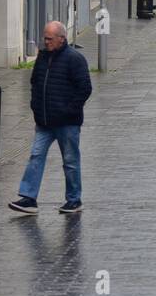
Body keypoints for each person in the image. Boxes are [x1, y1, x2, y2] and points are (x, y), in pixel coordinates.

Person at [9, 21, 93, 215]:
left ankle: (74, 199)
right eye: (44, 38)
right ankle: (29, 198)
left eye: (49, 39)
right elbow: (35, 82)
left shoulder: (74, 59)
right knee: (36, 156)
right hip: (44, 121)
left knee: (70, 161)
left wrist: (69, 110)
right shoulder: (43, 57)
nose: (45, 42)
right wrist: (35, 106)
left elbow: (85, 88)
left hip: (67, 122)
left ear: (61, 39)